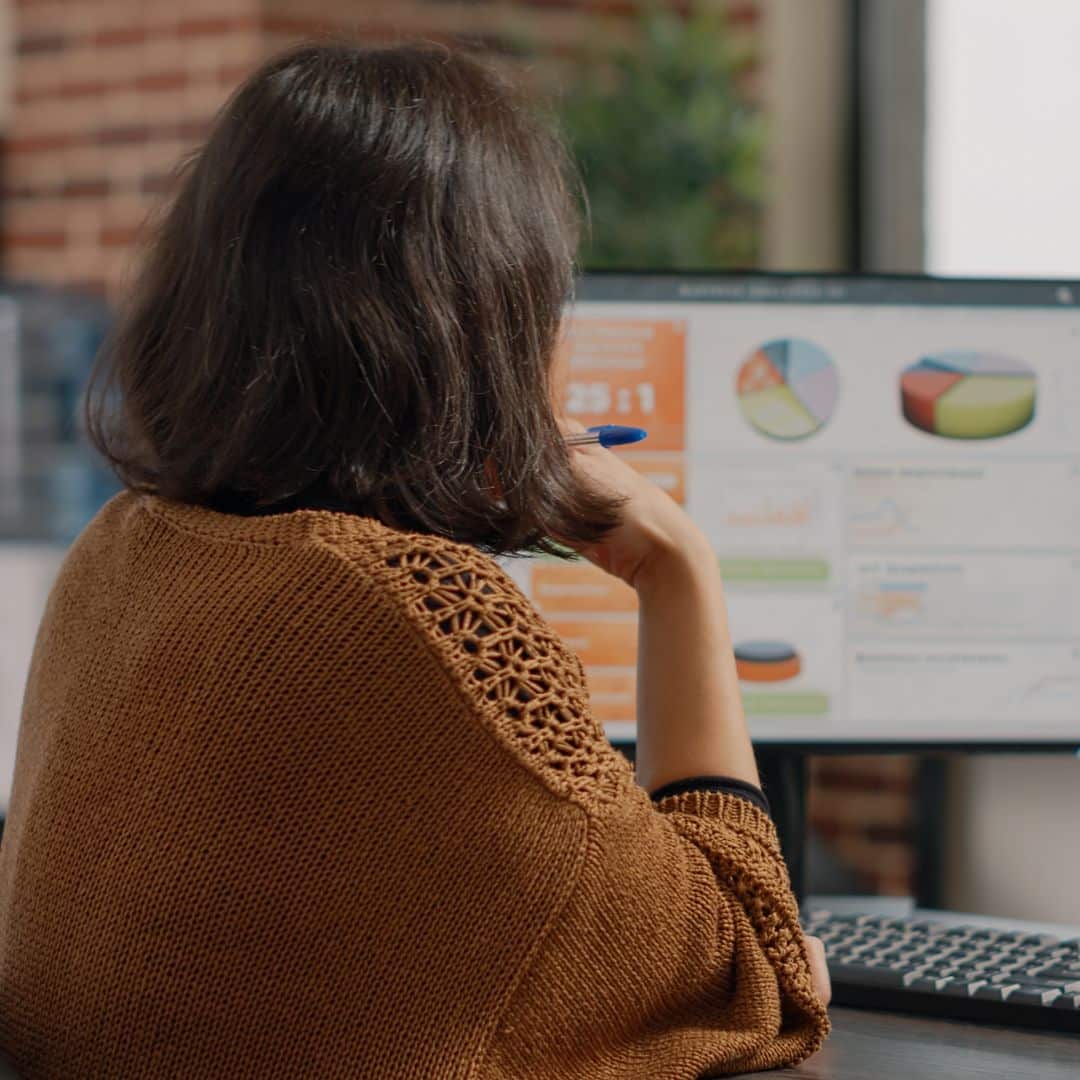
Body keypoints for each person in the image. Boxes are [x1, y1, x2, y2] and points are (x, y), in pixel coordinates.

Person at [0, 41, 830, 1079]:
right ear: (485, 321)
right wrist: (677, 567)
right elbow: (757, 969)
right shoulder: (421, 621)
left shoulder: (119, 552)